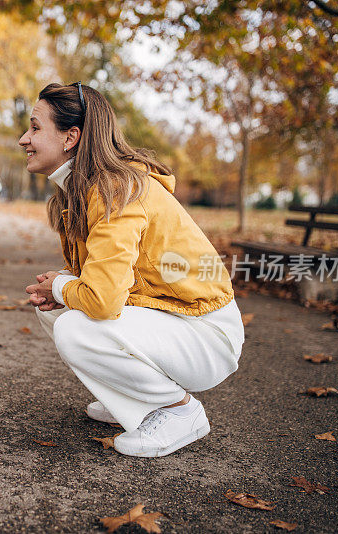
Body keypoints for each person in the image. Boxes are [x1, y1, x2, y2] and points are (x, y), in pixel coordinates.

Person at [22, 82, 244, 457]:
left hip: (205, 331)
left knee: (76, 323)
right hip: (171, 316)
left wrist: (61, 286)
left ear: (70, 137)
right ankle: (131, 398)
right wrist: (61, 287)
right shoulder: (82, 188)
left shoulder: (115, 189)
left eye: (35, 127)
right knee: (62, 311)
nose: (24, 138)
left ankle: (178, 411)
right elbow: (105, 276)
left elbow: (104, 301)